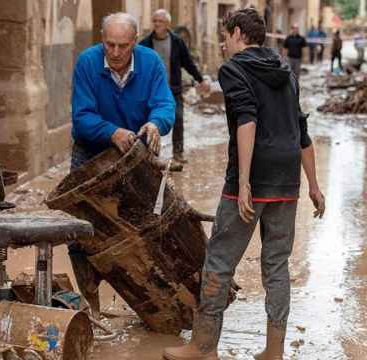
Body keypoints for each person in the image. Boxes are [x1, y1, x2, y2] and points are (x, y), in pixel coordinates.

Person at [163, 8, 325, 360]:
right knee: (277, 266)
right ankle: (274, 351)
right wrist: (313, 185)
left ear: (237, 33)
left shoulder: (233, 69)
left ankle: (203, 347)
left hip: (252, 176)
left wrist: (246, 182)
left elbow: (247, 121)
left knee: (219, 261)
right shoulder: (285, 70)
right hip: (286, 179)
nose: (223, 43)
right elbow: (301, 129)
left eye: (225, 36)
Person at [70, 12, 175, 317]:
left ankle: (150, 305)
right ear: (102, 41)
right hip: (90, 155)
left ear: (134, 42)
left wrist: (156, 123)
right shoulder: (88, 62)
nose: (115, 53)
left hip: (135, 157)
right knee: (81, 232)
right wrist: (111, 132)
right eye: (109, 45)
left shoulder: (151, 62)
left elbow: (165, 104)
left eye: (123, 46)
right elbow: (81, 118)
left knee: (145, 227)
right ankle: (92, 307)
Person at [140, 9, 210, 164]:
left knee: (177, 119)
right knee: (151, 121)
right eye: (155, 21)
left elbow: (188, 63)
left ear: (167, 24)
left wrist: (200, 80)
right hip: (152, 91)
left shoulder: (177, 42)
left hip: (173, 89)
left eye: (160, 21)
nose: (157, 24)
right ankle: (148, 153)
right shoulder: (145, 44)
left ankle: (178, 152)